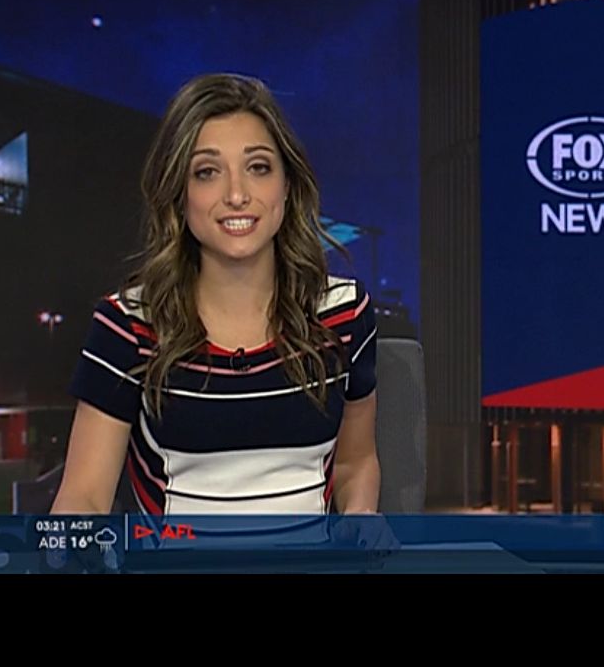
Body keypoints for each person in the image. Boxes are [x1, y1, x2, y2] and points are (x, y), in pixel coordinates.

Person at [51, 73, 381, 521]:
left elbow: (354, 462)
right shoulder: (129, 324)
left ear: (287, 186)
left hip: (307, 556)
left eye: (258, 167)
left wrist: (361, 518)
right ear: (180, 194)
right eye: (207, 172)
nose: (237, 195)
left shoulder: (343, 313)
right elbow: (84, 499)